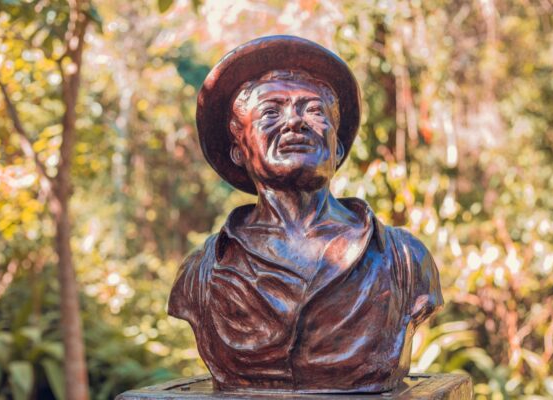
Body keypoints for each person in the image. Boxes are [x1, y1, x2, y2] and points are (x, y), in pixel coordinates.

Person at [168, 35, 443, 393]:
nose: (294, 122)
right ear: (239, 149)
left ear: (337, 145)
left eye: (313, 110)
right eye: (270, 112)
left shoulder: (404, 259)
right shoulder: (201, 272)